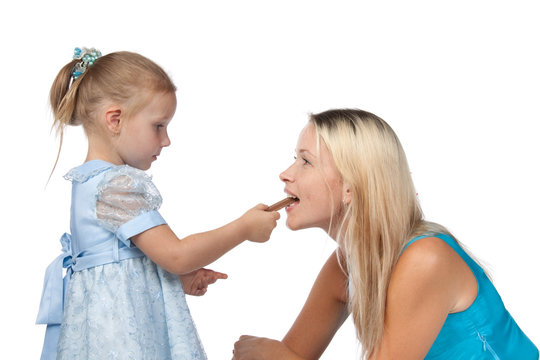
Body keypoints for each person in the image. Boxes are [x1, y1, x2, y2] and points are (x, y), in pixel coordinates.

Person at [233, 109, 539, 359]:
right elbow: (290, 353)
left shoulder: (425, 259)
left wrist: (274, 355)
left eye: (306, 161)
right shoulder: (344, 266)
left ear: (351, 187)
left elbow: (282, 357)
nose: (286, 173)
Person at [36, 47, 280, 360]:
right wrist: (243, 228)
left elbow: (114, 266)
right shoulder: (116, 187)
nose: (166, 140)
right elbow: (176, 254)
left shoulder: (89, 181)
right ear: (115, 120)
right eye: (158, 126)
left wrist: (176, 278)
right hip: (121, 338)